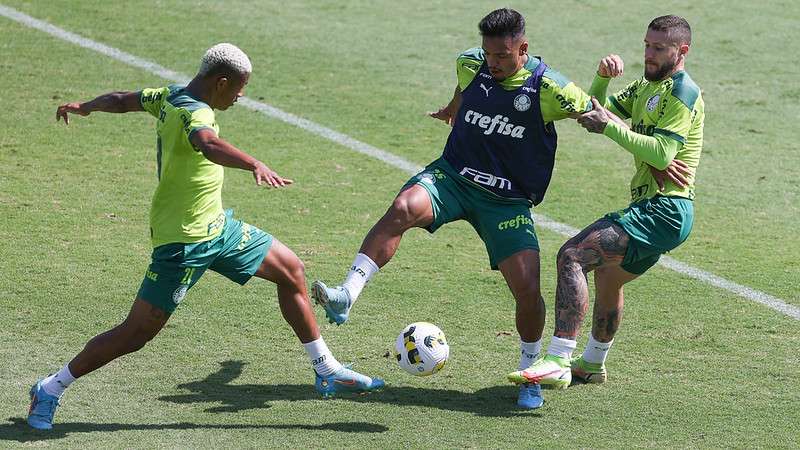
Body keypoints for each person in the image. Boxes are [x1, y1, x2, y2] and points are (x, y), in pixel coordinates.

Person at [27, 43, 383, 431]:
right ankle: (50, 388)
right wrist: (254, 164)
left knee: (291, 270)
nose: (241, 96)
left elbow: (122, 99)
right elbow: (207, 144)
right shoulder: (196, 113)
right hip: (182, 242)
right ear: (221, 82)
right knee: (135, 334)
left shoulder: (167, 95)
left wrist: (86, 106)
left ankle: (326, 368)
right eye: (239, 89)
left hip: (218, 227)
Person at [311, 8, 593, 410]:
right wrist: (451, 108)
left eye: (501, 56)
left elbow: (595, 113)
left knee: (528, 288)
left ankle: (530, 373)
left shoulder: (549, 87)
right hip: (454, 179)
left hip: (506, 201)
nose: (491, 63)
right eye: (488, 54)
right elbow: (466, 90)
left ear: (523, 48)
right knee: (403, 207)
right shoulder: (470, 63)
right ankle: (346, 295)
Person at [508, 15, 704, 394]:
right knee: (609, 277)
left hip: (664, 209)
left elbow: (663, 153)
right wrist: (601, 77)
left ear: (682, 51)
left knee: (572, 256)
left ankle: (558, 358)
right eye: (646, 45)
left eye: (658, 48)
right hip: (661, 210)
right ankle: (592, 364)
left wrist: (614, 127)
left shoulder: (682, 92)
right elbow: (593, 112)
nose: (648, 54)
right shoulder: (647, 87)